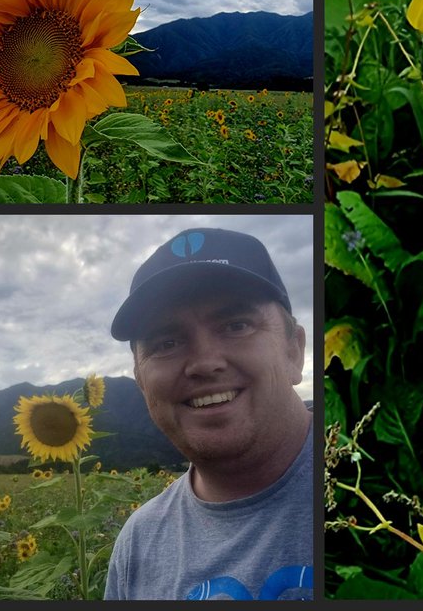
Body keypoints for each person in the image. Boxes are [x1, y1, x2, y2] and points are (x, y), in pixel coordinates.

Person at [104, 227, 313, 600]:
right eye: (166, 343)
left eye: (236, 326)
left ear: (293, 352)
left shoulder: (369, 483)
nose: (204, 363)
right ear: (140, 381)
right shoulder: (138, 543)